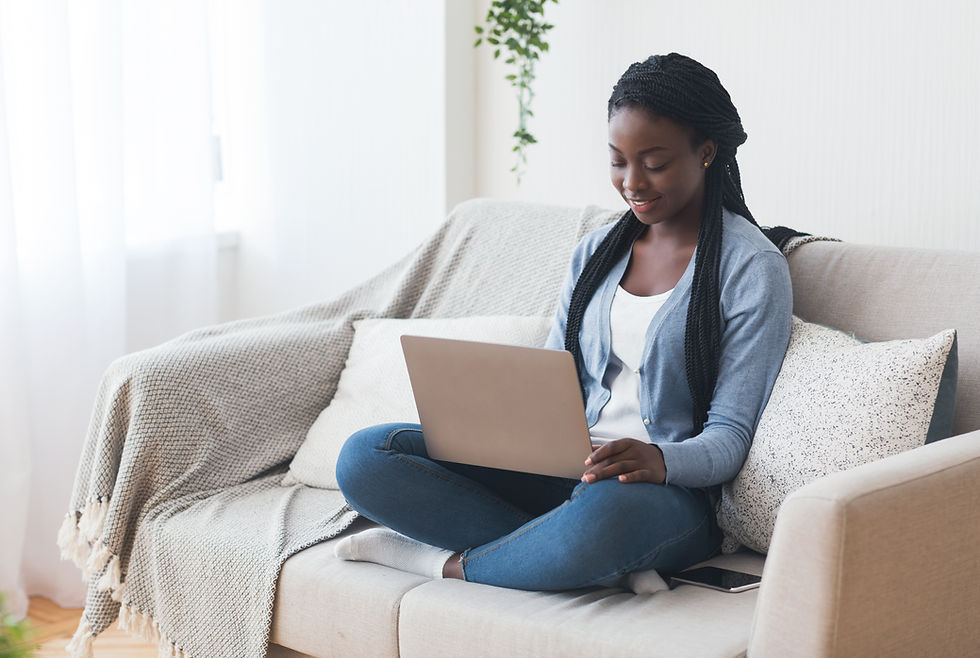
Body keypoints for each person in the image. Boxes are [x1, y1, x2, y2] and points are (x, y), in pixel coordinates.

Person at [333, 53, 793, 592]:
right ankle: (569, 555)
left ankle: (445, 563)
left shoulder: (752, 268)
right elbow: (549, 382)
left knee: (607, 515)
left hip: (659, 496)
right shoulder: (596, 251)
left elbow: (729, 438)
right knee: (365, 457)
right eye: (618, 160)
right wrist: (500, 426)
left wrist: (658, 459)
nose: (632, 181)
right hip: (563, 471)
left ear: (706, 153)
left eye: (654, 161)